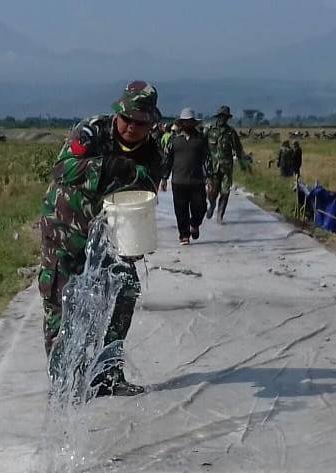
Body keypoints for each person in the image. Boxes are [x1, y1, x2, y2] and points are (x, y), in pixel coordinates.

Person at [39, 80, 162, 397]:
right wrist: (106, 166)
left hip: (110, 236)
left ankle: (107, 376)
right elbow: (62, 170)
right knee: (61, 306)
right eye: (127, 118)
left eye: (140, 122)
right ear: (118, 114)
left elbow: (147, 195)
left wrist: (136, 239)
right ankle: (63, 383)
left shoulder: (152, 153)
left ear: (151, 123)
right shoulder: (92, 132)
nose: (132, 127)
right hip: (66, 231)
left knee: (125, 294)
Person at [160, 108, 211, 245]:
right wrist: (164, 178)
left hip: (197, 181)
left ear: (194, 123)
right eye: (185, 122)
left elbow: (207, 160)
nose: (187, 124)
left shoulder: (200, 140)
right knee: (180, 210)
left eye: (190, 121)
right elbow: (167, 160)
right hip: (178, 181)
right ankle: (184, 235)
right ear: (181, 123)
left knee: (201, 207)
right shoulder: (174, 140)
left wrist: (209, 177)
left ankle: (194, 224)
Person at [206, 105, 244, 224]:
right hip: (213, 168)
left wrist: (243, 161)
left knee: (225, 192)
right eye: (221, 116)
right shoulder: (209, 130)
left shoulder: (231, 132)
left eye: (225, 117)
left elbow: (238, 148)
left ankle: (220, 215)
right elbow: (201, 146)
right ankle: (212, 205)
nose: (223, 119)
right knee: (212, 192)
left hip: (226, 168)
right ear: (218, 117)